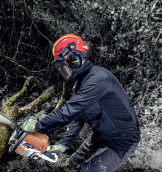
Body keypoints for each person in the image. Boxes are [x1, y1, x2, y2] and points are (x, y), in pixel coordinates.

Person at [21, 34, 141, 172]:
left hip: (122, 141)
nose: (62, 70)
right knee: (68, 165)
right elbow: (77, 117)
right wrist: (62, 146)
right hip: (99, 136)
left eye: (63, 65)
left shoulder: (99, 77)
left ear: (75, 59)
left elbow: (69, 111)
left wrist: (37, 126)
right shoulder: (79, 85)